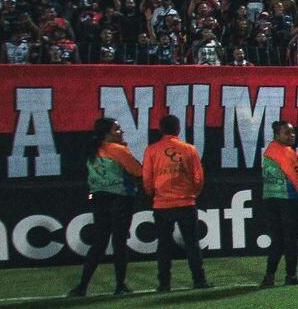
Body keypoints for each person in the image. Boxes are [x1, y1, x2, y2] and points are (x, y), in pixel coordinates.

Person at [68, 117, 141, 297]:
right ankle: (120, 284)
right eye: (117, 129)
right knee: (119, 242)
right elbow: (137, 171)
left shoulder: (92, 150)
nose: (121, 132)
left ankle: (82, 286)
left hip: (99, 198)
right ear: (108, 133)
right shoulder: (118, 150)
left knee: (99, 243)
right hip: (120, 198)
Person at [141, 114, 210, 292]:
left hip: (162, 204)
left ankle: (164, 283)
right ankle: (199, 279)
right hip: (185, 202)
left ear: (161, 129)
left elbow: (147, 178)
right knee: (192, 242)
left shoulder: (152, 150)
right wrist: (192, 193)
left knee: (164, 244)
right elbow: (198, 177)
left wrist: (152, 193)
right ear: (178, 129)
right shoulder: (189, 149)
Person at [259, 120, 298, 287]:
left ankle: (269, 276)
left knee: (277, 240)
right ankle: (291, 276)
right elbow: (296, 177)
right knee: (290, 240)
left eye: (292, 132)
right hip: (288, 200)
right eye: (287, 133)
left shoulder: (269, 151)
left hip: (270, 199)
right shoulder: (286, 153)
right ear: (277, 135)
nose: (291, 135)